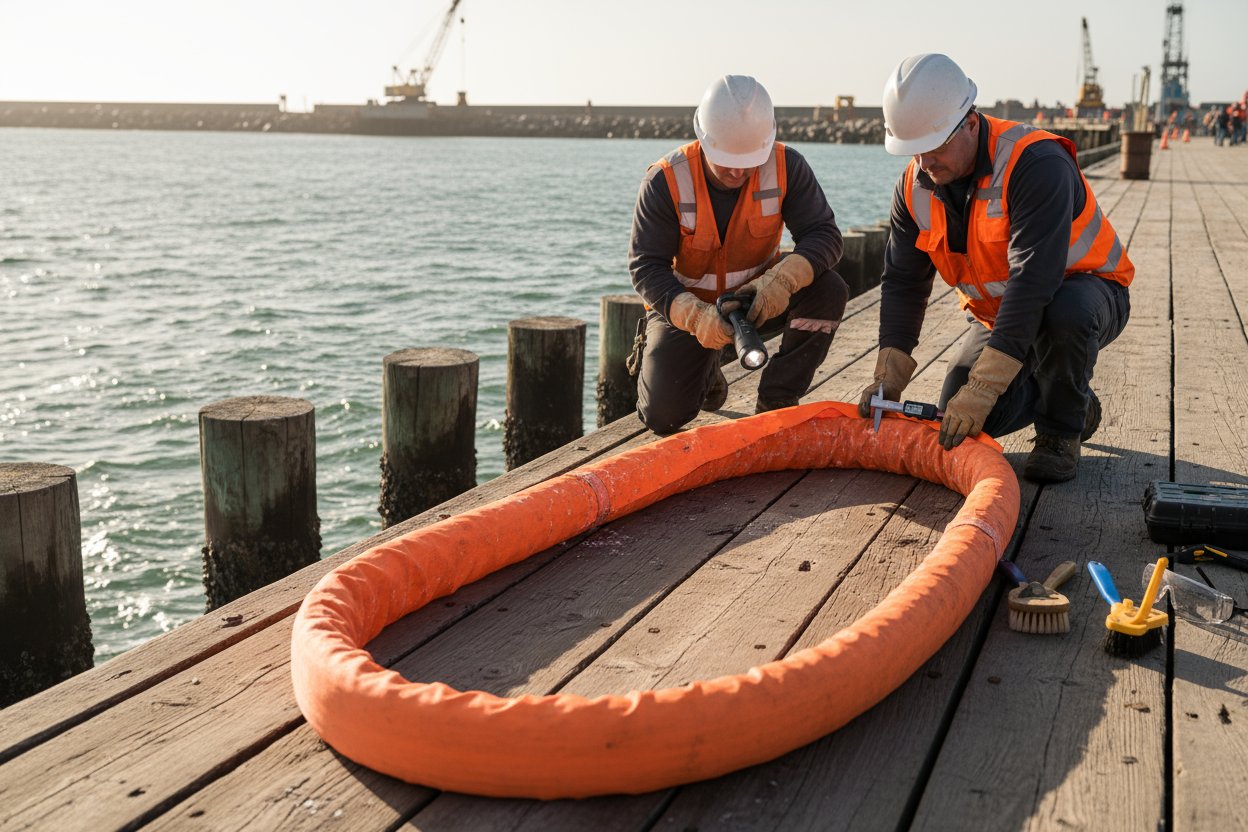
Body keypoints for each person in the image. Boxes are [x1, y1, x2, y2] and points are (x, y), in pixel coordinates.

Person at [857, 54, 1133, 483]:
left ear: (970, 122)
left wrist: (985, 387)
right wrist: (888, 377)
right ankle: (1074, 400)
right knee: (962, 421)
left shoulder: (1035, 162)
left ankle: (1061, 432)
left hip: (1086, 291)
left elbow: (1033, 280)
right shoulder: (913, 188)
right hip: (999, 314)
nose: (925, 162)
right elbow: (903, 283)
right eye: (914, 150)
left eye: (935, 146)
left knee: (1065, 315)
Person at [628, 75, 848, 435]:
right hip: (690, 311)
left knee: (830, 289)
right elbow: (645, 266)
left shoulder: (786, 166)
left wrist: (779, 283)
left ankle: (776, 400)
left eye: (747, 161)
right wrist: (697, 319)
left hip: (758, 298)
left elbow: (824, 235)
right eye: (726, 160)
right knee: (662, 417)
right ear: (703, 139)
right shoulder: (664, 180)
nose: (737, 171)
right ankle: (706, 369)